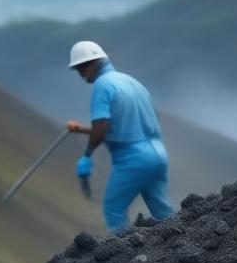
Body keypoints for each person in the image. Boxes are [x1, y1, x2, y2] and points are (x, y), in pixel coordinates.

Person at [66, 40, 175, 233]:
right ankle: (184, 244)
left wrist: (87, 155)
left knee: (113, 209)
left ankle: (125, 259)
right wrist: (81, 129)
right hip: (158, 153)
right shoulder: (131, 82)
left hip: (132, 158)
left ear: (94, 63)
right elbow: (118, 127)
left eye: (82, 68)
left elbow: (102, 127)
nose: (81, 74)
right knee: (162, 209)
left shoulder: (102, 86)